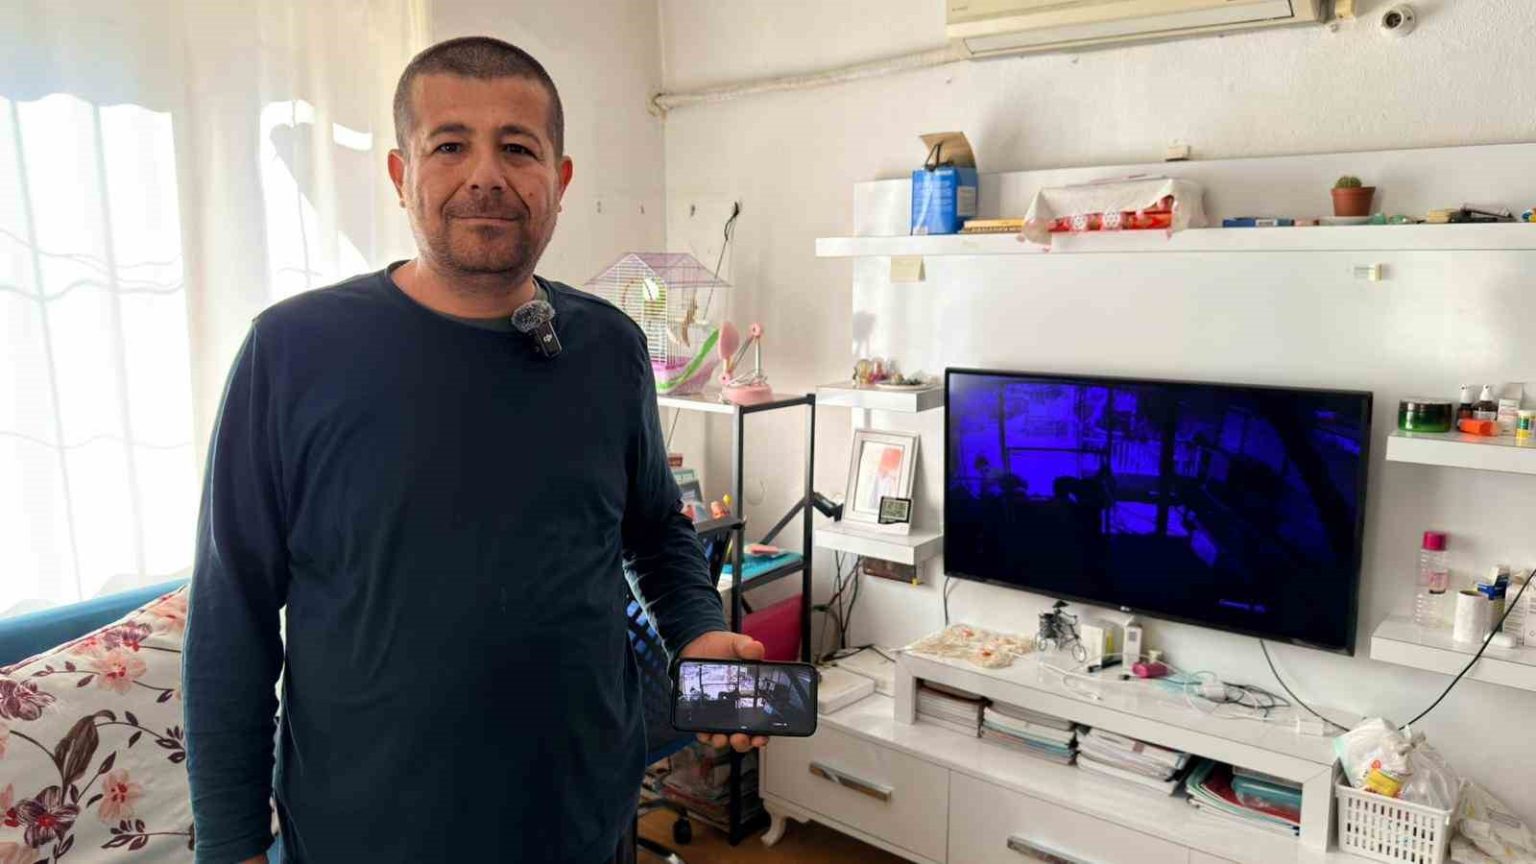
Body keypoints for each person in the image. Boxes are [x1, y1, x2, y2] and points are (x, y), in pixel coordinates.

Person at [184, 36, 766, 864]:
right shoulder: (291, 353)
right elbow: (230, 618)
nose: (486, 175)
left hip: (581, 821)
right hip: (367, 835)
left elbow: (654, 528)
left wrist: (698, 632)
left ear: (560, 180)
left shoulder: (609, 348)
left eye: (517, 148)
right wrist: (231, 843)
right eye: (450, 145)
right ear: (400, 175)